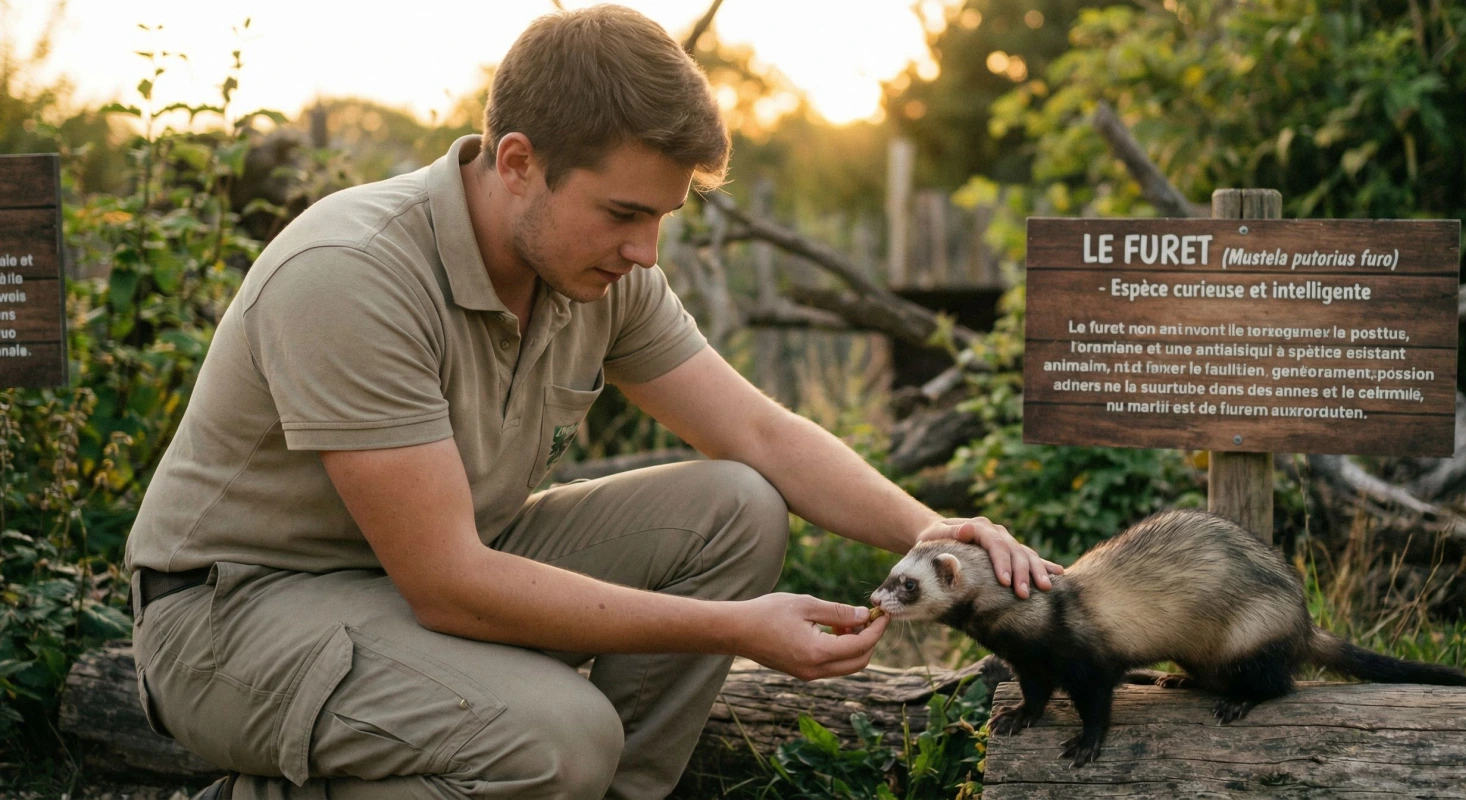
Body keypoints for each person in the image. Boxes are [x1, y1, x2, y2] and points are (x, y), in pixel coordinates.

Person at [125, 6, 1058, 799]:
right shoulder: (350, 273)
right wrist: (740, 630)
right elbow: (447, 583)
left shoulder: (593, 271)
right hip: (234, 616)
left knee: (735, 504)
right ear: (519, 162)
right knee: (561, 735)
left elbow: (759, 432)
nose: (646, 251)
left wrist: (936, 530)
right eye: (624, 214)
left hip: (417, 576)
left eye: (662, 217)